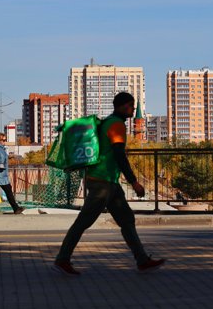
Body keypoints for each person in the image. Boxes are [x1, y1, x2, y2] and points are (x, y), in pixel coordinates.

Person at [54, 92, 165, 275]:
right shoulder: (116, 125)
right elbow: (119, 154)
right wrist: (134, 182)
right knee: (83, 222)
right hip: (102, 182)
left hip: (110, 182)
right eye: (130, 105)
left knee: (127, 220)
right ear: (121, 106)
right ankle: (62, 259)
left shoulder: (108, 121)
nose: (132, 109)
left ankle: (142, 260)